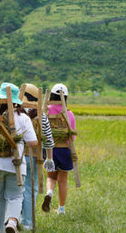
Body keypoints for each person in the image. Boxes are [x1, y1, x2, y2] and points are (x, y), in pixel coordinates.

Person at [0, 83, 38, 233]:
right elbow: (33, 143)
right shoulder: (23, 117)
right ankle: (12, 221)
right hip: (15, 165)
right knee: (15, 196)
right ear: (16, 102)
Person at [20, 84, 55, 231]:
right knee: (30, 189)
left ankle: (12, 219)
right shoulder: (41, 115)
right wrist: (49, 158)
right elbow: (48, 139)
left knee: (15, 189)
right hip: (34, 157)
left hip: (16, 157)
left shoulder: (15, 112)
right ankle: (27, 223)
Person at [41, 83, 76, 215]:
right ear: (65, 98)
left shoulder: (46, 111)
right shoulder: (69, 114)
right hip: (65, 150)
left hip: (50, 150)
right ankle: (61, 209)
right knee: (63, 180)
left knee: (51, 177)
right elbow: (72, 136)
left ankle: (49, 192)